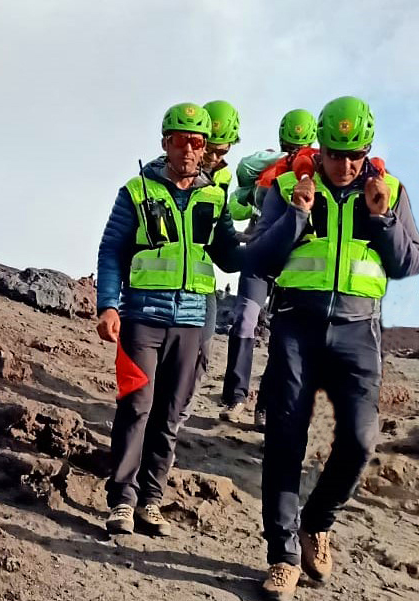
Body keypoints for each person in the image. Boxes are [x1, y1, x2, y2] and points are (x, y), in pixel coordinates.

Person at [244, 95, 419, 601]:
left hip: (359, 331)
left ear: (368, 148)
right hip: (295, 326)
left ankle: (316, 523)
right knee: (284, 439)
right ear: (318, 147)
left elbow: (408, 263)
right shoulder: (285, 186)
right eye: (334, 153)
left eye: (355, 154)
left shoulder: (390, 190)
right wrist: (296, 216)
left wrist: (382, 219)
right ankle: (281, 558)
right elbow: (256, 258)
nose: (344, 166)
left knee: (362, 442)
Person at [96, 103, 242, 535]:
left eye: (197, 142)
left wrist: (286, 221)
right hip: (141, 318)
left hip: (191, 322)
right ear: (165, 142)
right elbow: (111, 251)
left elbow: (231, 257)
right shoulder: (137, 192)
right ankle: (122, 500)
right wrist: (108, 304)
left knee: (170, 415)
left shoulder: (214, 198)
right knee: (136, 407)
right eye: (181, 140)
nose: (189, 150)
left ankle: (150, 501)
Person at [220, 109, 321, 423]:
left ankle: (258, 405)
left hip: (285, 261)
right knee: (250, 321)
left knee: (269, 329)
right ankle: (239, 399)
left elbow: (241, 185)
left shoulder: (309, 169)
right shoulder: (273, 168)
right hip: (266, 258)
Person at [191, 100, 243, 393]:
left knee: (200, 359)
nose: (211, 157)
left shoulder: (223, 177)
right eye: (206, 147)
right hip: (156, 290)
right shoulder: (160, 174)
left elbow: (222, 245)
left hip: (200, 282)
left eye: (221, 151)